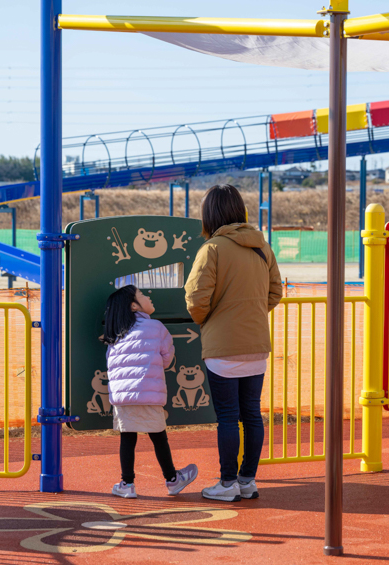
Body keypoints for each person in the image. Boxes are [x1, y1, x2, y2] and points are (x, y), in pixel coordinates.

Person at [185, 184, 282, 502]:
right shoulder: (261, 247)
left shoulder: (211, 249)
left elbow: (196, 300)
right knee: (251, 413)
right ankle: (246, 481)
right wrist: (251, 312)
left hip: (223, 347)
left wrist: (211, 320)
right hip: (256, 344)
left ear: (209, 214)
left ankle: (226, 484)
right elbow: (275, 293)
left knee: (227, 416)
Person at [102, 285, 198, 498]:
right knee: (158, 436)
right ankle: (172, 479)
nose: (148, 297)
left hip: (122, 397)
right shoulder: (156, 327)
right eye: (143, 295)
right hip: (149, 391)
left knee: (127, 438)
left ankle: (127, 484)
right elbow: (166, 360)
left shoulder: (115, 333)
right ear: (134, 305)